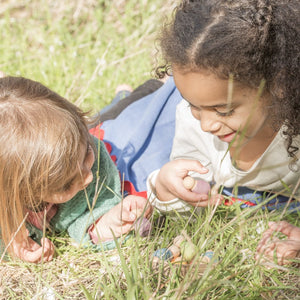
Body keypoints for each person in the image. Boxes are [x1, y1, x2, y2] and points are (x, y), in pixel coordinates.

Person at [144, 0, 300, 213]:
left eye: (223, 111)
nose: (206, 125)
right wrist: (165, 187)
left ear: (278, 84)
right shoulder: (191, 120)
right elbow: (190, 204)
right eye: (194, 105)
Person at [0, 76, 151, 263]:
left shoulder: (87, 151)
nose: (87, 178)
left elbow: (96, 206)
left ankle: (135, 91)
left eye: (87, 152)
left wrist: (106, 220)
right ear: (20, 191)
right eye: (66, 185)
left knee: (122, 111)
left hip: (107, 123)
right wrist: (13, 246)